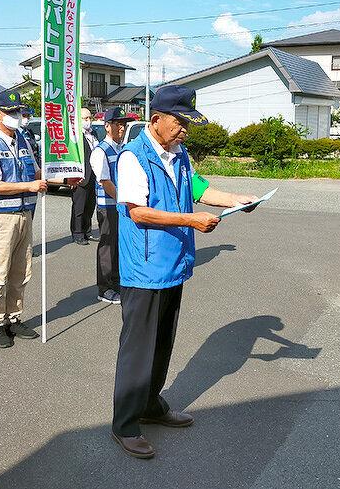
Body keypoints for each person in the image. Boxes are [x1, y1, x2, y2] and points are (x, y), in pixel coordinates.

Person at [111, 85, 259, 459]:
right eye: (179, 123)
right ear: (155, 119)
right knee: (137, 349)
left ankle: (150, 403)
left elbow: (198, 187)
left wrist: (236, 200)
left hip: (174, 264)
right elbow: (137, 212)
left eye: (188, 125)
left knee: (162, 343)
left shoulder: (178, 153)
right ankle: (125, 423)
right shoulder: (133, 157)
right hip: (144, 269)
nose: (184, 131)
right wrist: (190, 220)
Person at [0, 91, 47, 349]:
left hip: (24, 214)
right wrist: (30, 186)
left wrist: (64, 179)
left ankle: (13, 318)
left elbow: (39, 173)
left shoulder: (24, 142)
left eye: (18, 111)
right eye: (10, 112)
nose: (16, 116)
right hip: (1, 218)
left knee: (21, 271)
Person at [89, 106, 134, 304]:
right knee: (107, 246)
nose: (122, 128)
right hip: (109, 207)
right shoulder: (100, 151)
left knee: (120, 245)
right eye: (118, 124)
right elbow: (105, 182)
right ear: (107, 126)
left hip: (121, 206)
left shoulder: (123, 149)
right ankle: (105, 287)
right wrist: (123, 199)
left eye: (124, 124)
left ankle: (117, 282)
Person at [69, 107, 99, 245]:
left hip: (93, 175)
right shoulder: (75, 136)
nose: (88, 121)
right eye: (85, 118)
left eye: (90, 118)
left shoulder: (94, 134)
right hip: (80, 176)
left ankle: (87, 231)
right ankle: (77, 233)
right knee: (79, 207)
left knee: (90, 206)